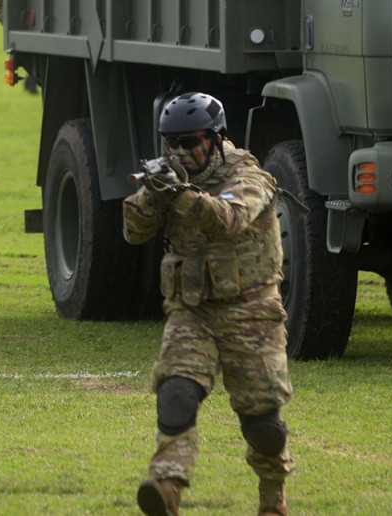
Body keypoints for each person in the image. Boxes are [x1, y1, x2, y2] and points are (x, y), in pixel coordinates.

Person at [122, 92, 294, 516]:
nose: (181, 152)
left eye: (191, 142)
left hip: (251, 310)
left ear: (216, 139)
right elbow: (133, 231)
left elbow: (227, 219)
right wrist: (152, 196)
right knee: (176, 393)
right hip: (192, 310)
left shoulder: (249, 176)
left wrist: (177, 194)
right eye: (172, 144)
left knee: (263, 425)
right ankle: (166, 486)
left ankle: (272, 495)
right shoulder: (170, 178)